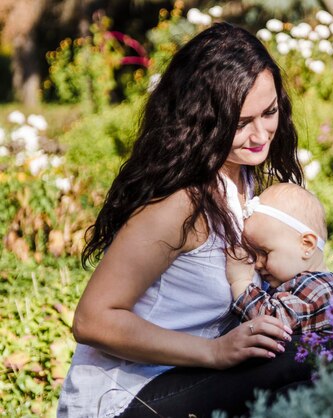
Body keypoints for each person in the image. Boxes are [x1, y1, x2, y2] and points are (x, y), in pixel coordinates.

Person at [58, 22, 312, 418]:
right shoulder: (178, 204)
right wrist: (216, 351)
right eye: (241, 123)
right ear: (205, 119)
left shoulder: (241, 177)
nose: (261, 134)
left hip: (192, 378)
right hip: (126, 396)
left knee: (314, 375)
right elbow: (92, 320)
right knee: (305, 355)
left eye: (270, 111)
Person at [226, 183, 333, 333]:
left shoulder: (318, 288)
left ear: (306, 245)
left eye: (265, 252)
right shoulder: (310, 281)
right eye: (254, 254)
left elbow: (273, 322)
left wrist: (240, 282)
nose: (257, 264)